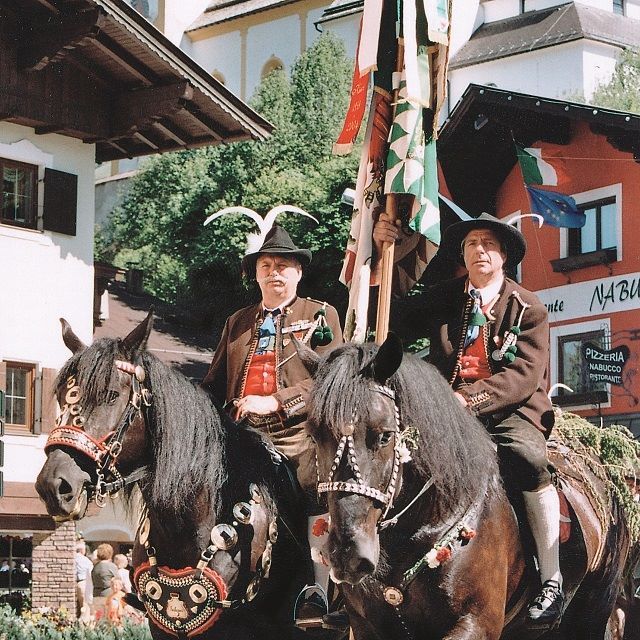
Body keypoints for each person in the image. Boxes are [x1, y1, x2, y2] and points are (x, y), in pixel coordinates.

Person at [373, 211, 563, 625]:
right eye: (472, 244)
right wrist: (385, 251)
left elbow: (522, 377)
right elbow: (389, 315)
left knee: (528, 459)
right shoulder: (446, 296)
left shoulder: (528, 308)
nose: (479, 250)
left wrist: (468, 400)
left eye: (489, 244)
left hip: (509, 413)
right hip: (444, 415)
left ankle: (551, 577)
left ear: (505, 257)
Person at [202, 224, 343, 622]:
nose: (275, 272)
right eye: (266, 265)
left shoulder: (320, 314)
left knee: (315, 483)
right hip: (237, 433)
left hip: (296, 433)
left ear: (299, 272)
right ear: (256, 273)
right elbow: (212, 385)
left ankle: (319, 589)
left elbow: (329, 379)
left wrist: (276, 401)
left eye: (284, 265)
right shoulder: (238, 321)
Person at [75, 540, 94, 621]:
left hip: (75, 583)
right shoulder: (86, 560)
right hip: (83, 583)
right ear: (83, 550)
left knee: (77, 605)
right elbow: (91, 572)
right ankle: (83, 622)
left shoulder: (72, 559)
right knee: (84, 605)